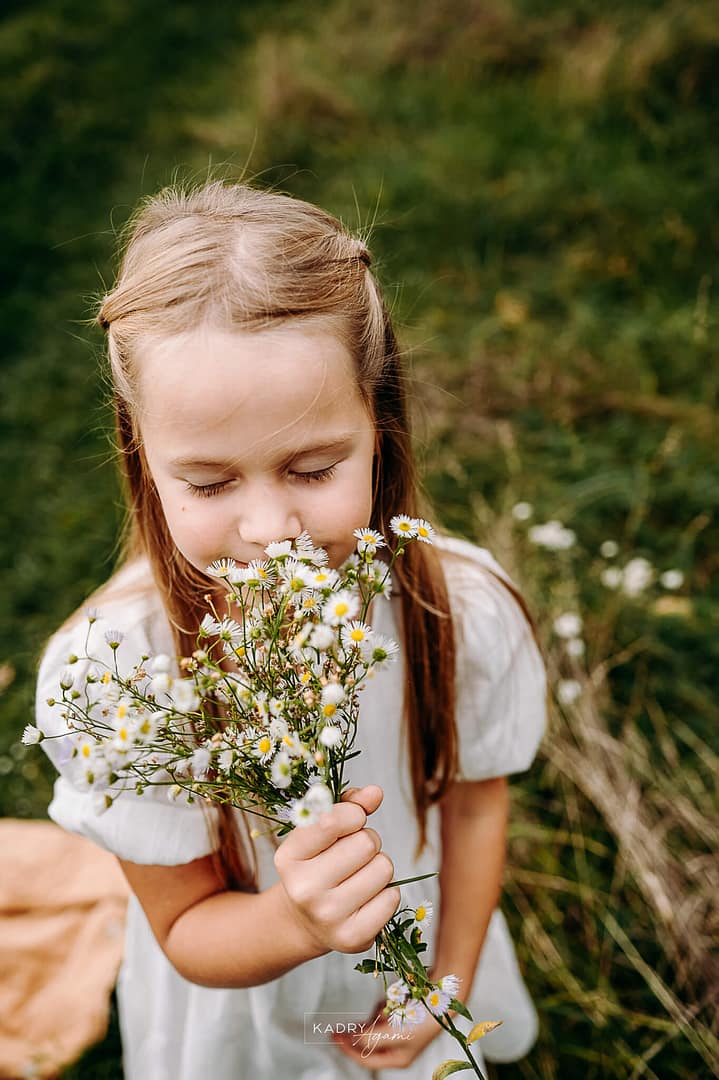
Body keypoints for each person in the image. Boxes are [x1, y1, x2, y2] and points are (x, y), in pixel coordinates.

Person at [36, 181, 547, 1080]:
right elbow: (186, 927)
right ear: (141, 454)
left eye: (313, 468)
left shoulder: (456, 611)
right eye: (209, 482)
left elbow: (473, 804)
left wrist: (447, 979)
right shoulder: (114, 676)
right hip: (241, 1016)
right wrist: (295, 922)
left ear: (379, 426)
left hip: (413, 960)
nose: (270, 528)